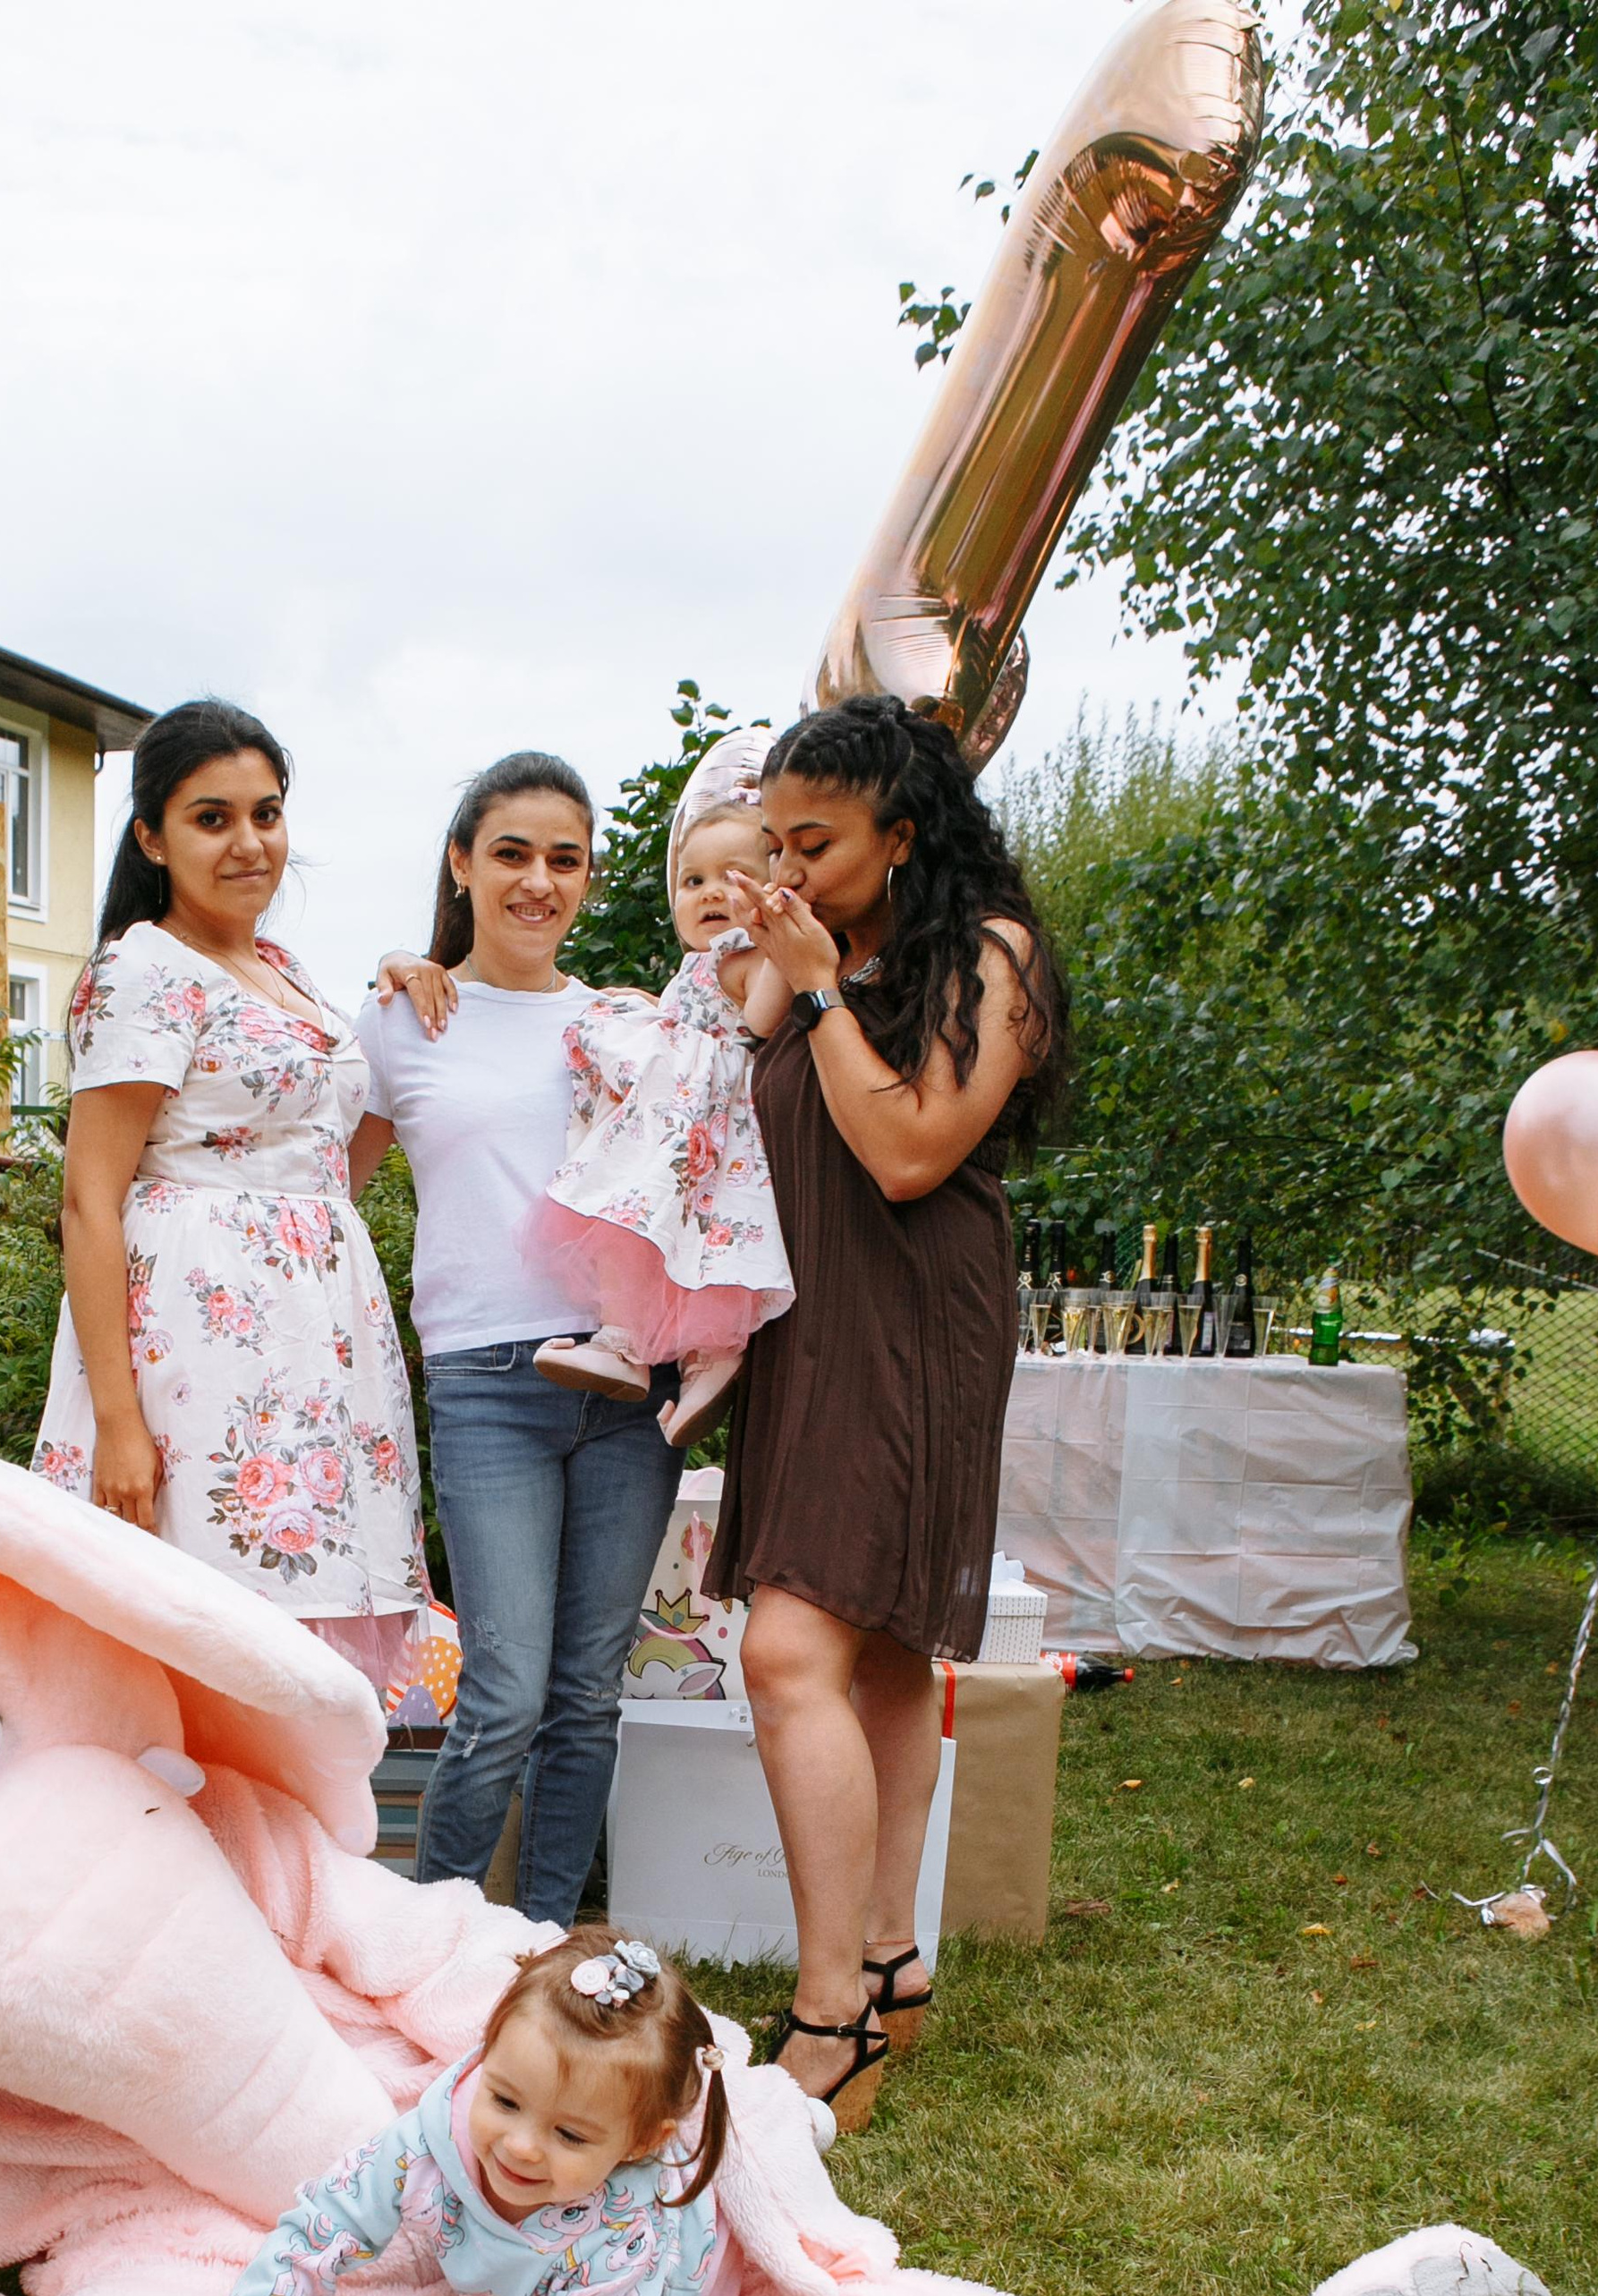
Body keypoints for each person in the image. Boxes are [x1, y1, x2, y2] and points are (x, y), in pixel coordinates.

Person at [708, 696, 1065, 2132]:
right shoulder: (818, 955)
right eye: (773, 836)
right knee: (883, 1656)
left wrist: (810, 993)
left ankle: (830, 2012)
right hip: (812, 1319)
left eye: (819, 840)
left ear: (902, 836)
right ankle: (892, 1963)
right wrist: (767, 967)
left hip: (916, 1319)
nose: (788, 863)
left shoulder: (992, 956)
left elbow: (914, 1149)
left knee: (791, 1647)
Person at [32, 697, 426, 1690]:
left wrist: (398, 1003)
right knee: (206, 1653)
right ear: (151, 837)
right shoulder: (145, 972)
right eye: (212, 818)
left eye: (266, 812)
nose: (248, 842)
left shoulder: (283, 971)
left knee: (298, 1664)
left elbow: (329, 1166)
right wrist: (119, 1424)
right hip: (198, 1353)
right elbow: (88, 1202)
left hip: (312, 1338)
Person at [349, 755, 683, 1924]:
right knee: (503, 1693)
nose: (539, 881)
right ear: (462, 863)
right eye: (512, 853)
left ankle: (543, 1948)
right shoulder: (400, 1019)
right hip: (487, 1386)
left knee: (588, 1693)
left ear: (589, 877)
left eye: (565, 859)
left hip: (628, 1379)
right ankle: (431, 1950)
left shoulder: (626, 1025)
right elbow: (324, 1197)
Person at [185, 1928, 729, 2296]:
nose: (520, 2145)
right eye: (504, 2100)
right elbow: (325, 2225)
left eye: (569, 2135)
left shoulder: (624, 2239)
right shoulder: (429, 2141)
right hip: (526, 2291)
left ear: (639, 2144)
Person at [531, 727, 795, 1448]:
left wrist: (778, 935)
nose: (710, 893)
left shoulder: (743, 956)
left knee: (647, 1219)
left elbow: (764, 1016)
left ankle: (666, 1351)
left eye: (732, 876)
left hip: (711, 1132)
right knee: (665, 1242)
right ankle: (672, 1356)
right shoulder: (693, 967)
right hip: (692, 1136)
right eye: (693, 880)